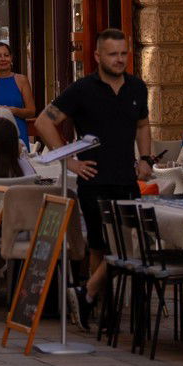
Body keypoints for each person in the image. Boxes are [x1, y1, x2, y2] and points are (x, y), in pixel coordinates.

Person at [35, 28, 152, 327]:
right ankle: (102, 309)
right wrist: (68, 160)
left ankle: (87, 294)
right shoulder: (83, 89)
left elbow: (142, 125)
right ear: (98, 56)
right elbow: (44, 122)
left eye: (124, 53)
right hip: (94, 179)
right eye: (113, 54)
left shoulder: (137, 88)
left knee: (128, 246)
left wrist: (146, 158)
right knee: (100, 246)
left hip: (127, 179)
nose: (119, 59)